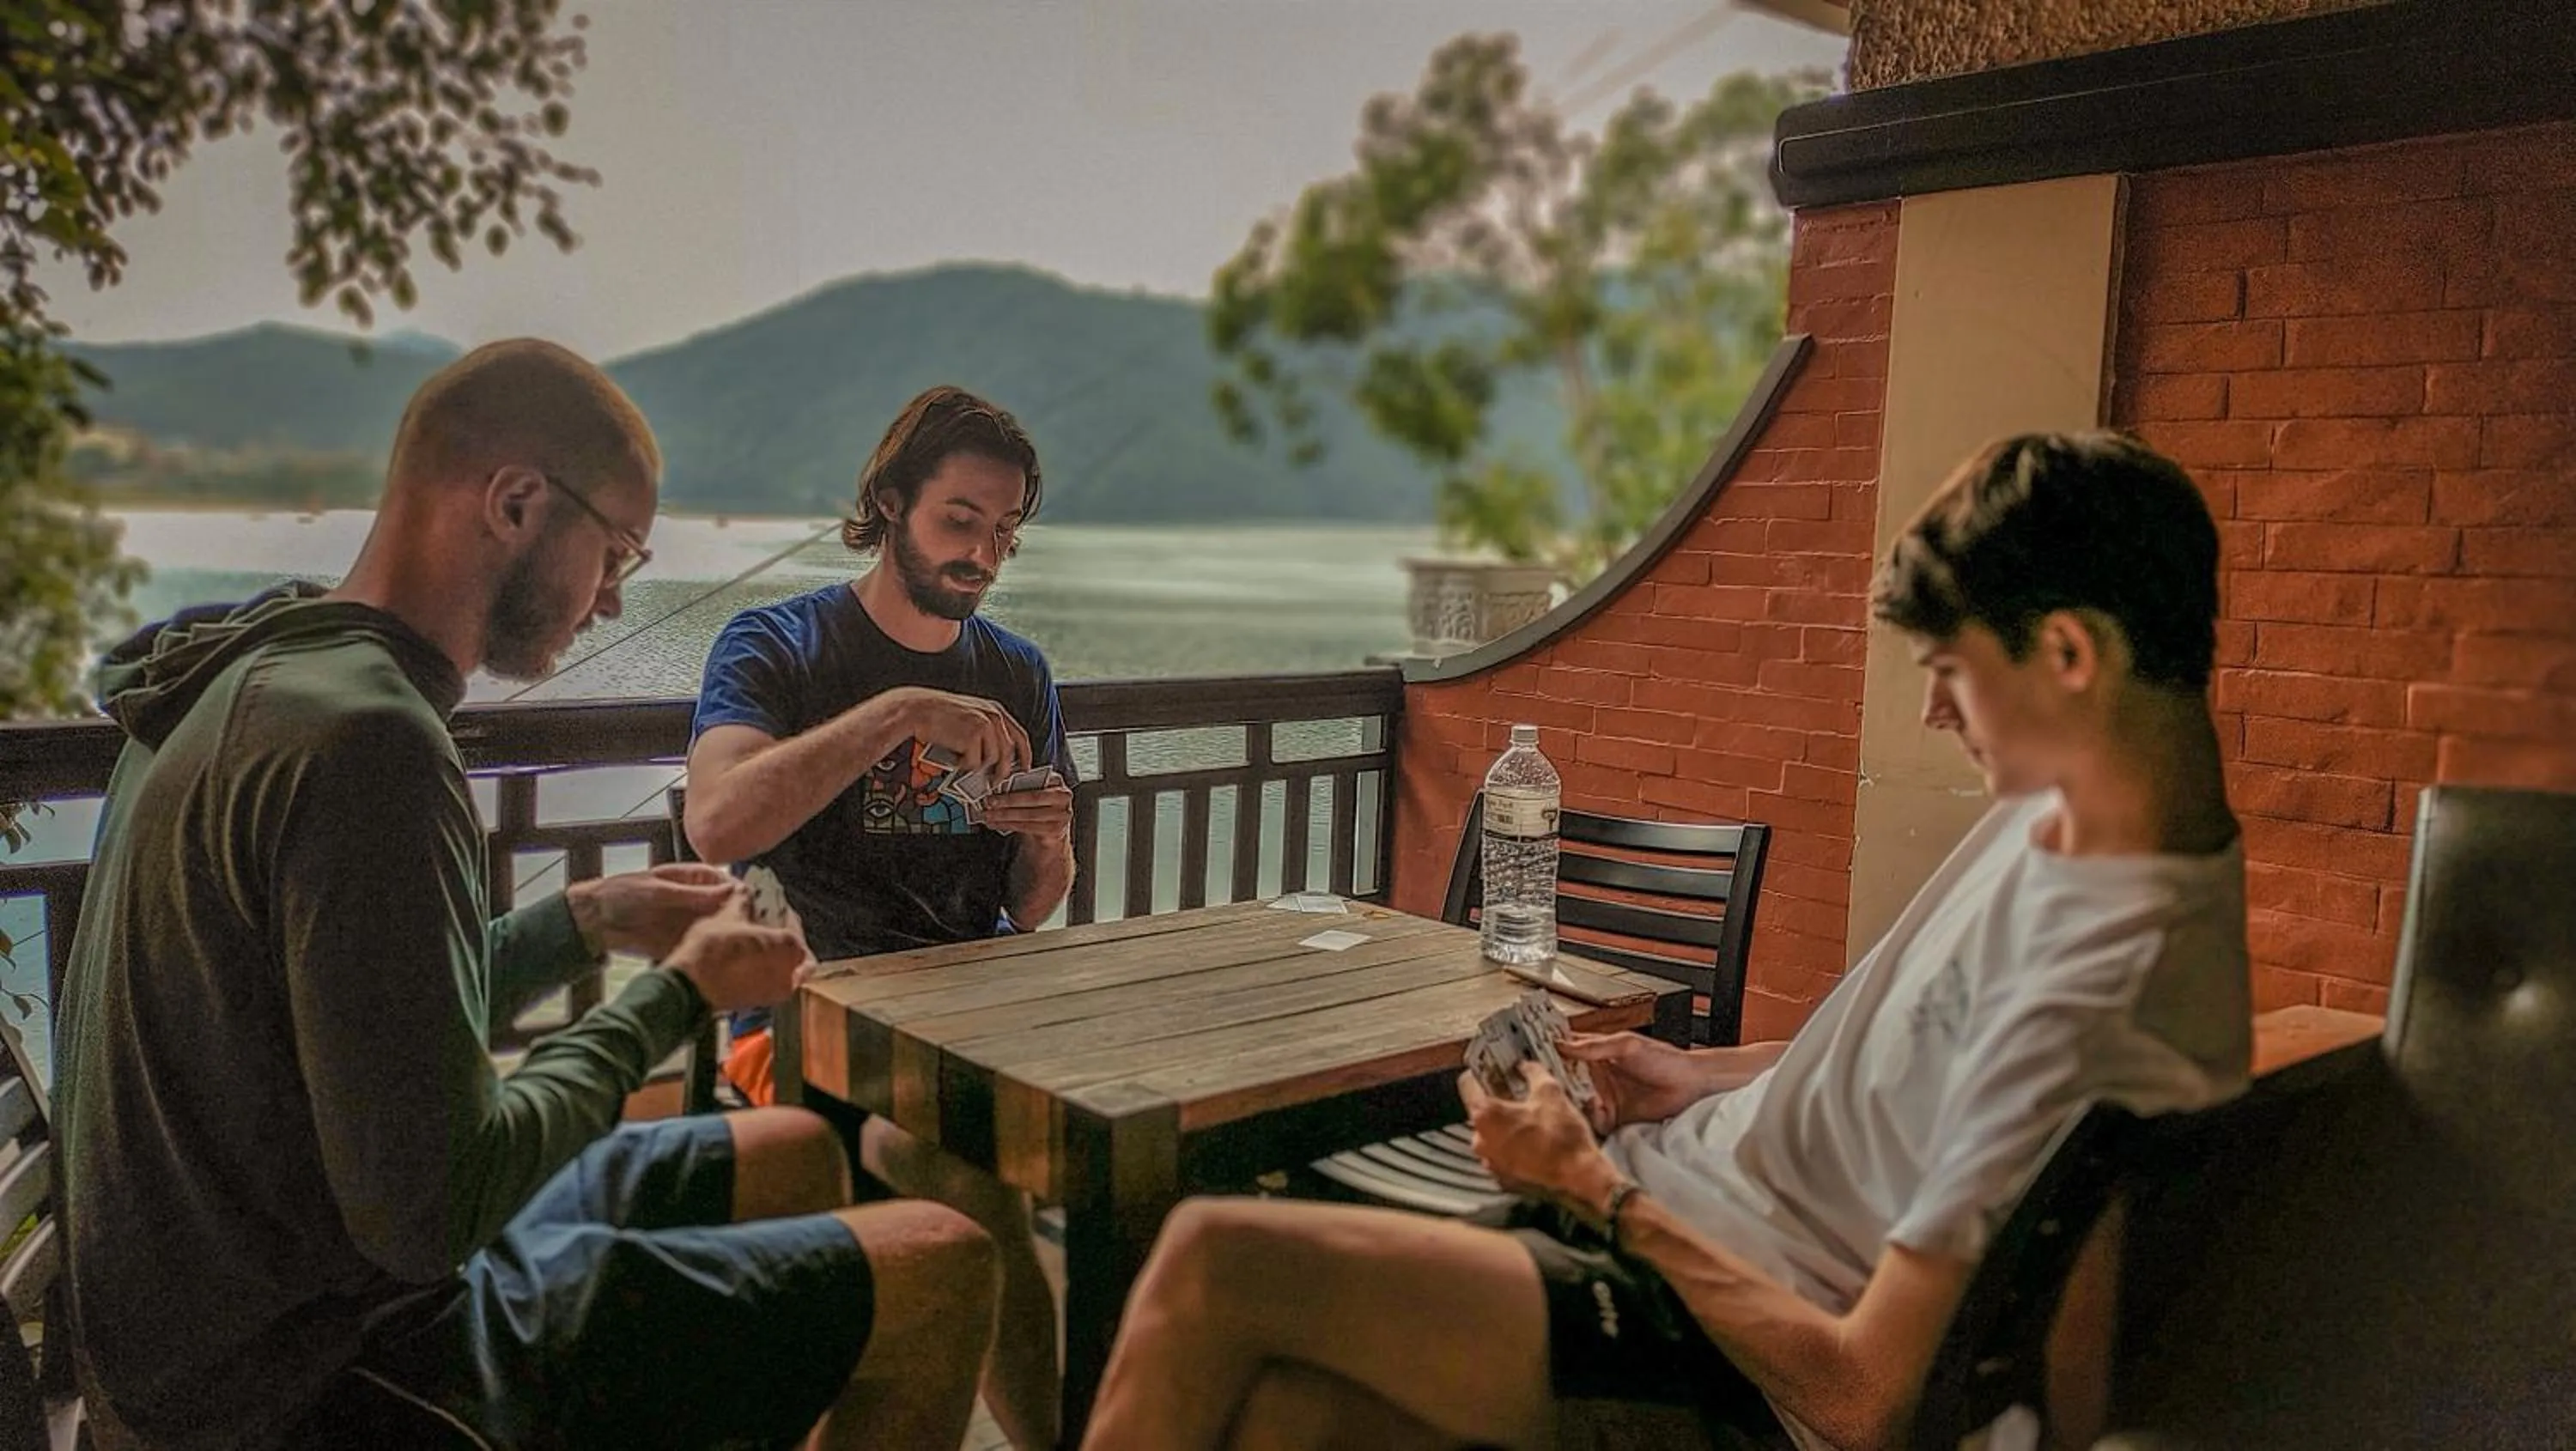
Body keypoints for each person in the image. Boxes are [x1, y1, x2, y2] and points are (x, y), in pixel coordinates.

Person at [1077, 431, 2255, 1451]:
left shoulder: (2101, 982)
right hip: (1675, 1211)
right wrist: (1697, 1071)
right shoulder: (2072, 819)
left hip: (1705, 1339)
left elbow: (1865, 1396)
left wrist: (1587, 1188)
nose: (1934, 710)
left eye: (1951, 671)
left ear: (2068, 654)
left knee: (1210, 1259)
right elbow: (1925, 1057)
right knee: (1290, 1419)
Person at [55, 340, 998, 1451]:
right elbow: (432, 1211)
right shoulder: (370, 744)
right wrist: (678, 992)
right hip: (307, 1380)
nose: (609, 600)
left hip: (222, 1325)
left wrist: (585, 921)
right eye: (618, 553)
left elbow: (365, 1009)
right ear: (514, 501)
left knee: (793, 1146)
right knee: (944, 1262)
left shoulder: (259, 679)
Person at [684, 383, 1075, 1450]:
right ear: (891, 503)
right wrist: (901, 710)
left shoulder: (1017, 673)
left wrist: (1047, 838)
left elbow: (1030, 907)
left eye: (1004, 532)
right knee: (963, 1183)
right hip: (809, 1021)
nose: (985, 555)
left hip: (974, 1013)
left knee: (1161, 1135)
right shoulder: (781, 645)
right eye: (962, 520)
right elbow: (716, 822)